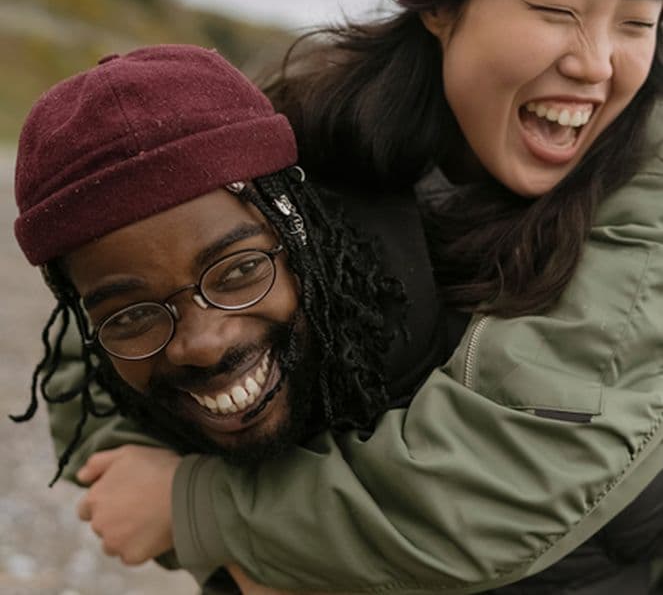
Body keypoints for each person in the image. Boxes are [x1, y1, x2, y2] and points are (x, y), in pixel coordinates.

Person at [14, 0, 663, 592]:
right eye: (556, 11)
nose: (596, 63)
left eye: (638, 22)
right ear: (438, 8)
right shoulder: (311, 130)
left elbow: (506, 482)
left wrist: (200, 511)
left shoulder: (649, 187)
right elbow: (103, 323)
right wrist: (141, 480)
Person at [12, 43, 465, 593]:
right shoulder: (105, 350)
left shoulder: (458, 303)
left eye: (239, 270)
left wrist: (195, 515)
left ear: (299, 233)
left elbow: (479, 513)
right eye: (133, 315)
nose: (202, 344)